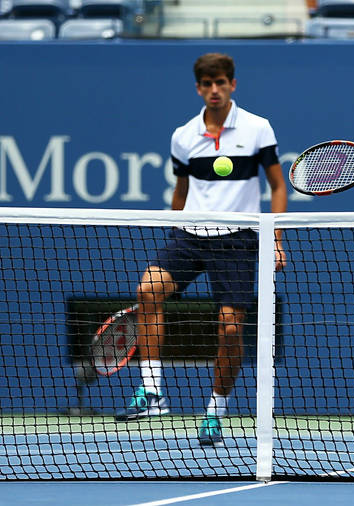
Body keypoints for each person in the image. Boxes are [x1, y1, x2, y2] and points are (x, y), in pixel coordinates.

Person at [114, 53, 288, 448]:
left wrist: (275, 238)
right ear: (198, 88)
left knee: (230, 329)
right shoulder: (183, 135)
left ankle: (215, 411)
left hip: (238, 239)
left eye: (221, 82)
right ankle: (154, 392)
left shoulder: (258, 129)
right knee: (148, 291)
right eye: (207, 84)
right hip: (190, 235)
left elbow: (277, 186)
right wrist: (175, 230)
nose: (214, 90)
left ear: (233, 85)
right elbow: (181, 191)